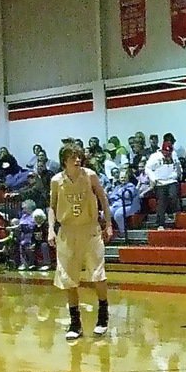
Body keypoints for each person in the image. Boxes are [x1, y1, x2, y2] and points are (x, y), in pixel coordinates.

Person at [47, 142, 115, 340]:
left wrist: (108, 223)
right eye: (72, 157)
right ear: (64, 161)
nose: (77, 160)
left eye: (79, 156)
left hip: (90, 229)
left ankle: (103, 316)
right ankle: (75, 323)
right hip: (67, 232)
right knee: (68, 279)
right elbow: (52, 207)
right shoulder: (56, 181)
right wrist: (51, 229)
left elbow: (103, 199)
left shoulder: (90, 175)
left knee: (98, 275)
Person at [143, 140, 181, 229]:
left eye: (169, 152)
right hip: (160, 182)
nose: (167, 154)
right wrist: (153, 179)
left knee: (173, 196)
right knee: (161, 203)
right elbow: (148, 168)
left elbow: (178, 166)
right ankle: (160, 224)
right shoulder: (154, 157)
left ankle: (171, 212)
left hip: (172, 180)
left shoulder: (174, 155)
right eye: (166, 152)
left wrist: (178, 175)